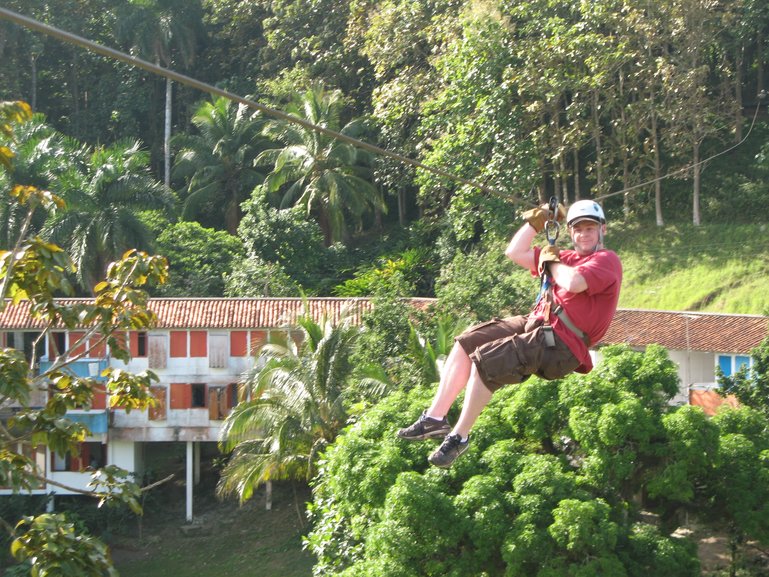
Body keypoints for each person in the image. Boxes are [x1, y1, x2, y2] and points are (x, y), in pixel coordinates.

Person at [397, 199, 623, 468]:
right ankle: (434, 418)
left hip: (562, 344)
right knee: (467, 342)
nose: (584, 234)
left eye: (590, 228)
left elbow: (574, 283)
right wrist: (537, 220)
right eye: (578, 229)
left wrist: (550, 263)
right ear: (571, 232)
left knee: (486, 360)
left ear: (602, 230)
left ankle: (459, 436)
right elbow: (514, 252)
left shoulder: (606, 260)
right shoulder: (563, 257)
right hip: (538, 324)